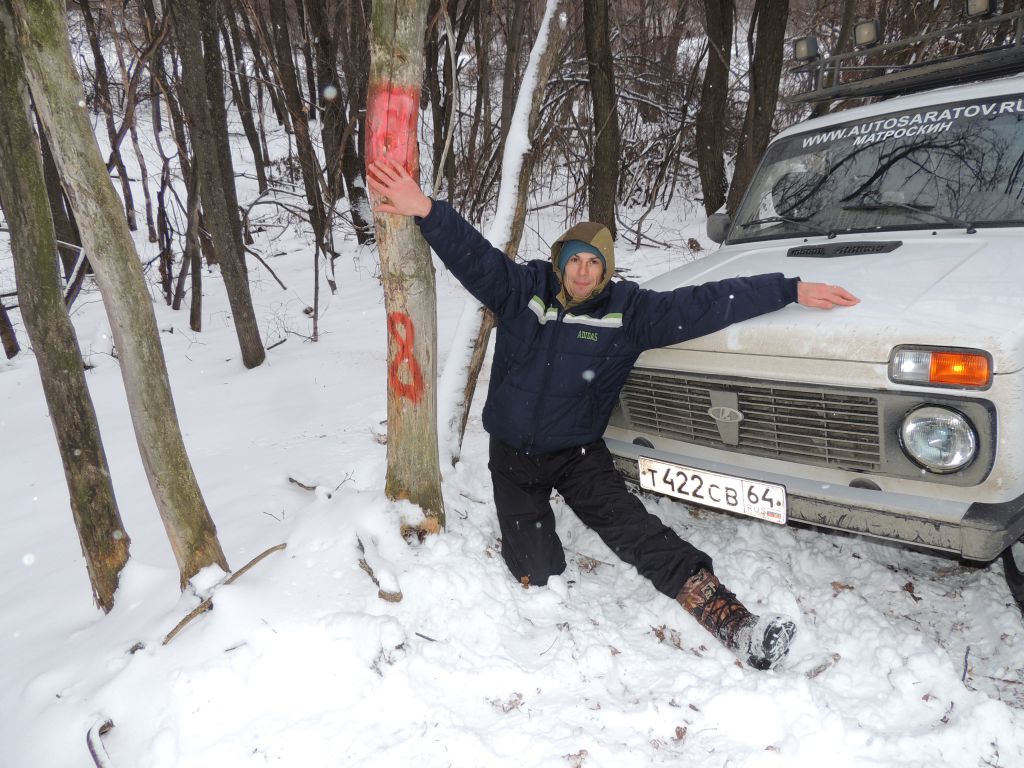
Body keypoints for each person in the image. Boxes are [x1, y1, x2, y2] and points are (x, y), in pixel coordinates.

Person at [367, 157, 860, 670]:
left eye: (594, 263)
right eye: (575, 259)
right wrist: (426, 209)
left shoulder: (629, 312)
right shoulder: (522, 291)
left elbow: (705, 303)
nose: (583, 271)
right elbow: (475, 257)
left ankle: (734, 622)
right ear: (560, 261)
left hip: (577, 455)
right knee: (537, 573)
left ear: (606, 269)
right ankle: (540, 563)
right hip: (512, 456)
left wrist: (788, 289)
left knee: (635, 532)